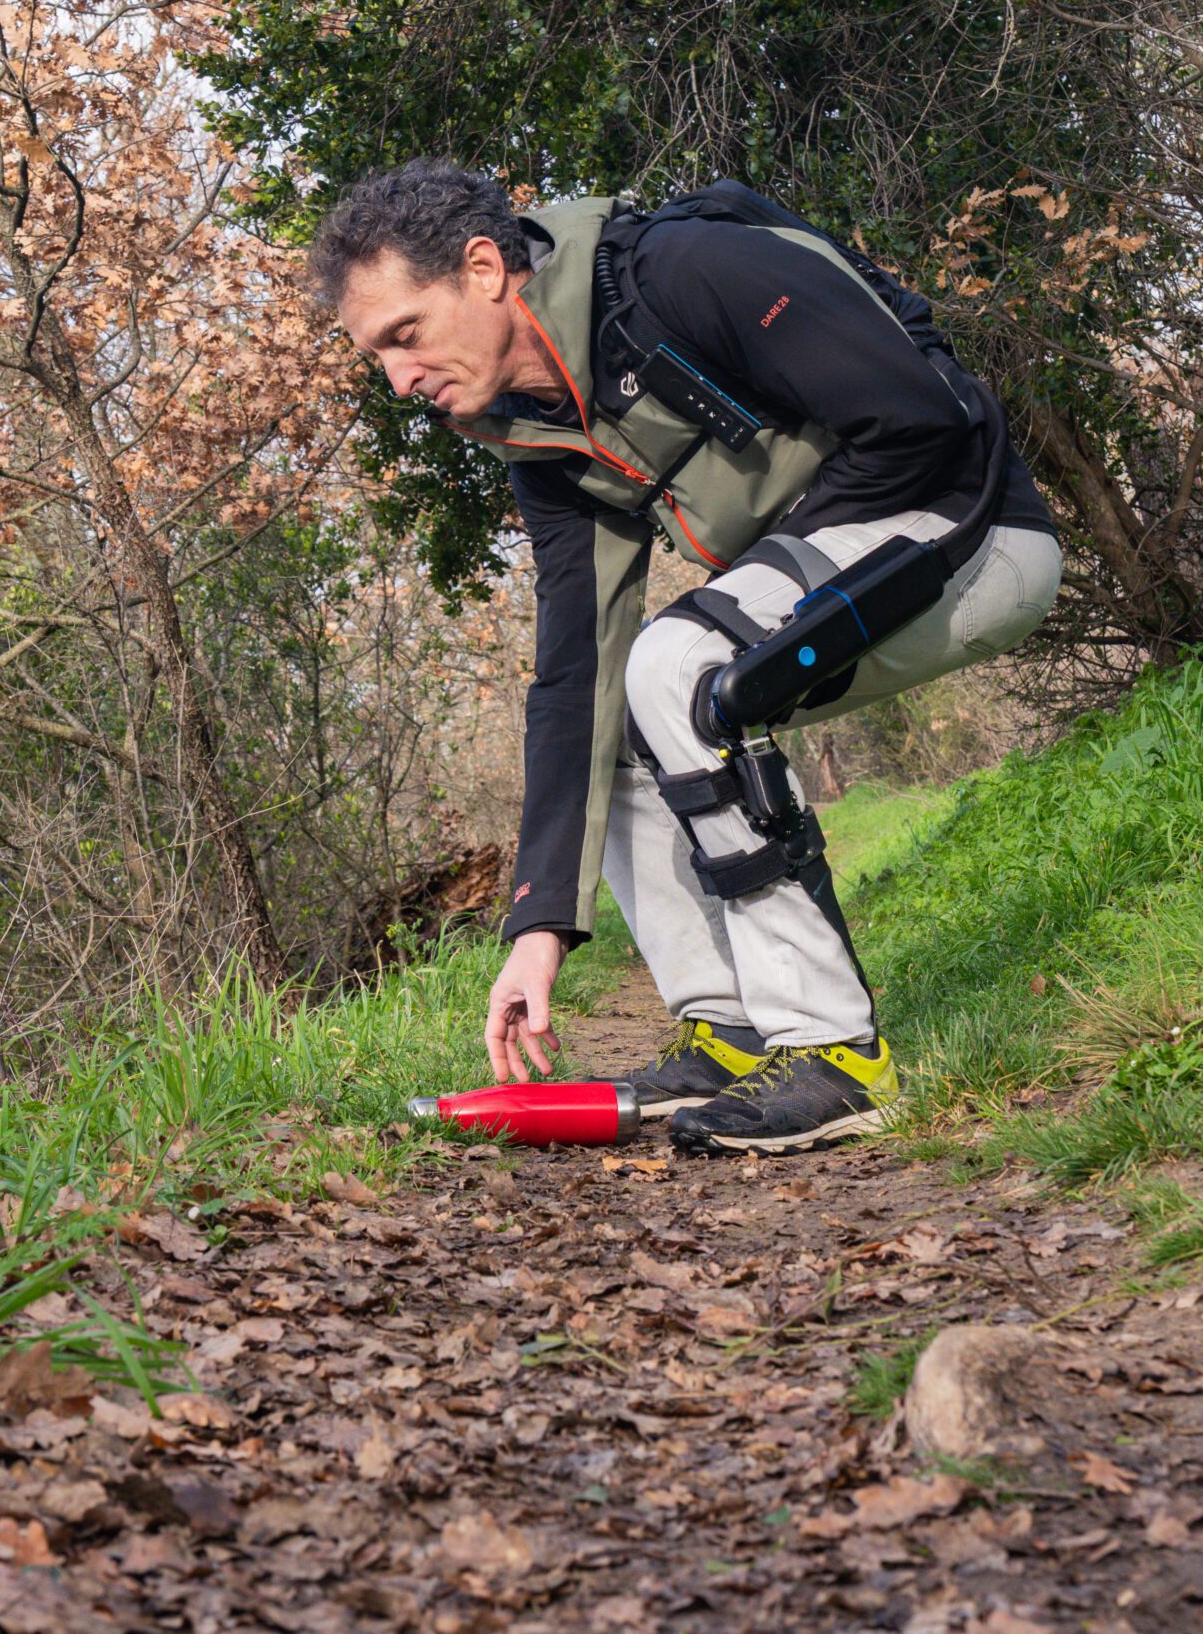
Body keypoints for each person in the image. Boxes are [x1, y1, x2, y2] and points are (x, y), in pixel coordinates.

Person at [311, 160, 1062, 1156]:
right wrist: (536, 933)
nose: (400, 378)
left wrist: (758, 593)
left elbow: (922, 420)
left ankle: (836, 1055)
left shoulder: (687, 270)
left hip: (971, 535)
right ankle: (733, 1036)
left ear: (483, 269)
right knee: (621, 701)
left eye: (404, 335)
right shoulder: (536, 433)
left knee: (680, 663)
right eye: (377, 357)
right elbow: (573, 673)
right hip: (836, 569)